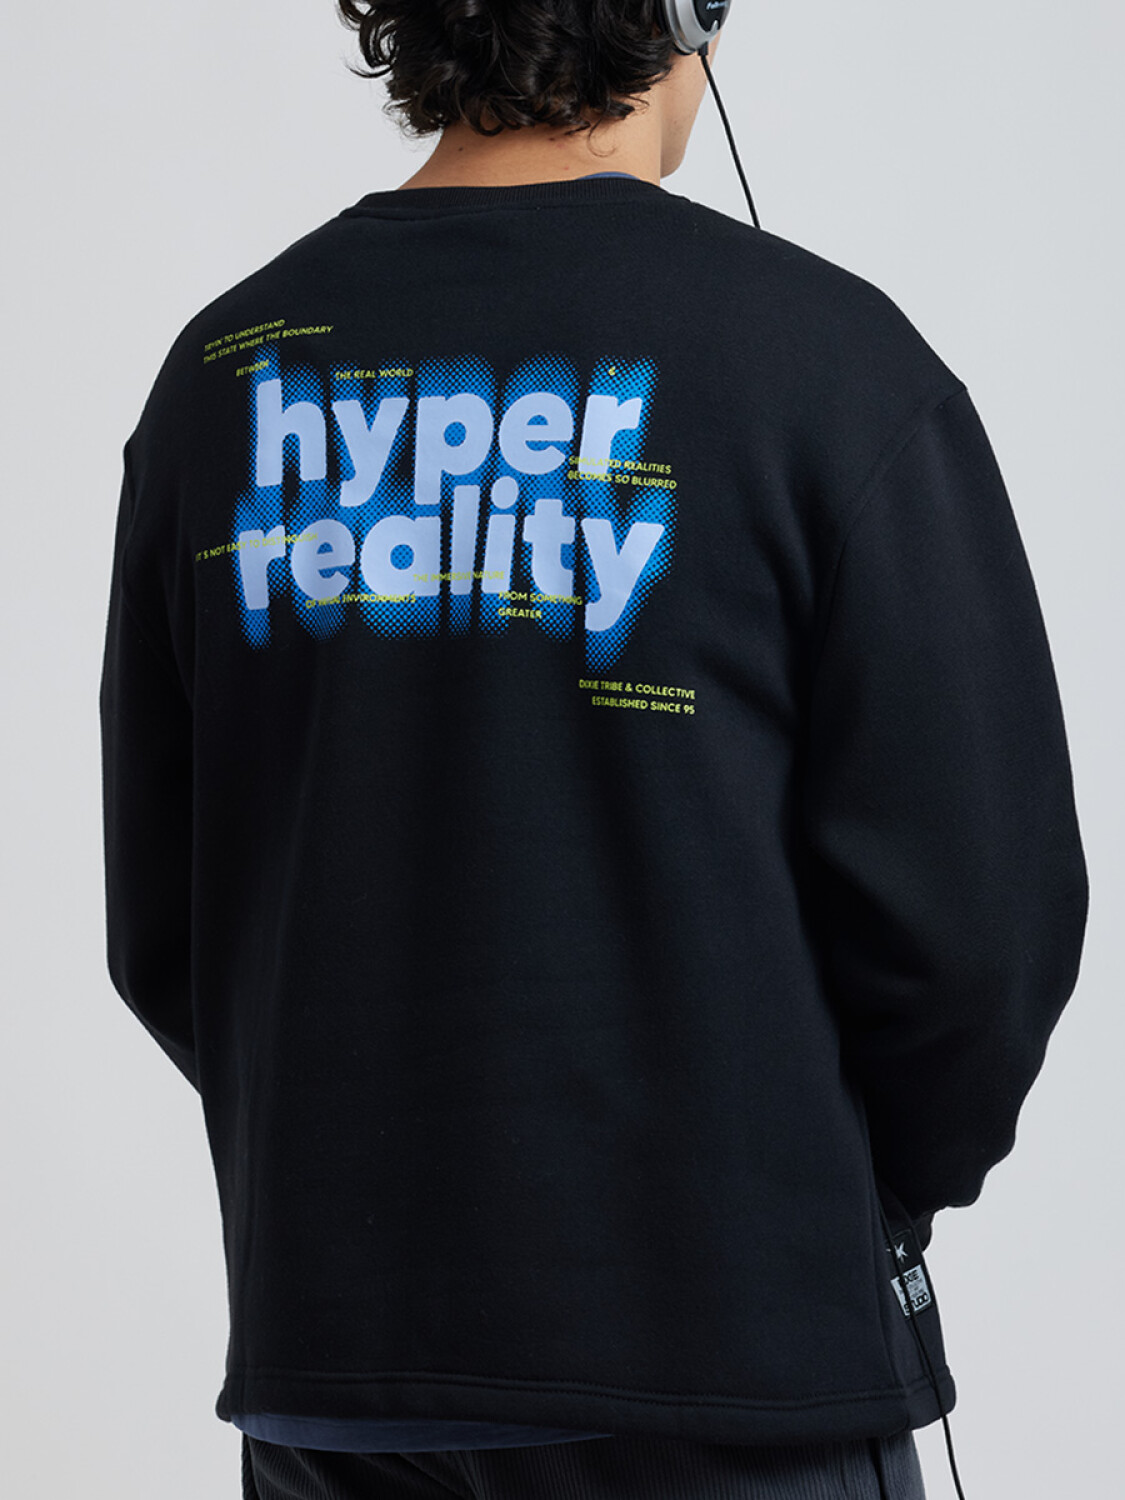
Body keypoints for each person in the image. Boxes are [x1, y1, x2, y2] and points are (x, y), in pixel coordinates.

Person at [98, 3, 1089, 1498]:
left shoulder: (219, 383)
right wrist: (847, 1196)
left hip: (342, 1385)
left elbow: (170, 923)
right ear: (680, 12)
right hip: (732, 1380)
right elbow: (981, 921)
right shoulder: (827, 362)